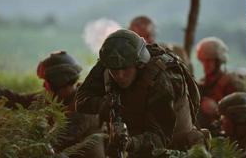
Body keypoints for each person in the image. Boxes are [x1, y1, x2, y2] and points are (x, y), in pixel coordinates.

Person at [76, 29, 204, 158]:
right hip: (138, 141)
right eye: (114, 71)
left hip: (177, 149)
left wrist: (129, 143)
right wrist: (107, 105)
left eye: (125, 69)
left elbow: (159, 140)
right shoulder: (110, 61)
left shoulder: (161, 80)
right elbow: (81, 100)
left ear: (139, 64)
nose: (120, 76)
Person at [195, 37, 246, 129]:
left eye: (209, 60)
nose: (205, 65)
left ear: (218, 61)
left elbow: (244, 115)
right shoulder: (202, 84)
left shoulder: (232, 83)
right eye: (203, 61)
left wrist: (216, 110)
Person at [129, 16, 193, 73]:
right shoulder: (125, 58)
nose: (144, 41)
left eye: (148, 36)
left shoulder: (175, 52)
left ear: (154, 35)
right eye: (139, 37)